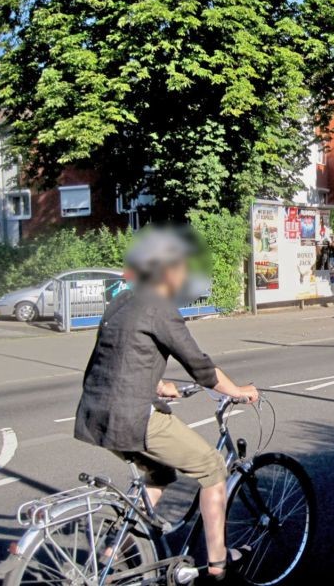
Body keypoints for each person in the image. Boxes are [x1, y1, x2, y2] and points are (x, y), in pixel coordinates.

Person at [73, 228, 259, 582]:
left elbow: (114, 356)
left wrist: (157, 383)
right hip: (133, 417)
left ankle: (114, 552)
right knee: (212, 467)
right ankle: (218, 563)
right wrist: (236, 390)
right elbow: (199, 364)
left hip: (96, 414)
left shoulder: (121, 302)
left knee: (160, 473)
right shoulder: (159, 308)